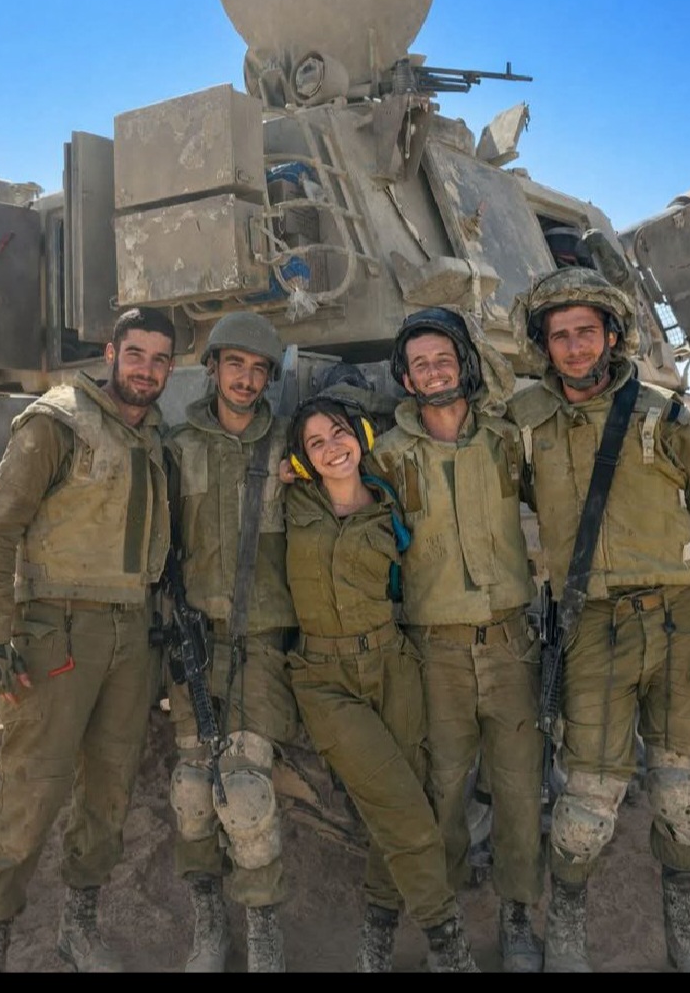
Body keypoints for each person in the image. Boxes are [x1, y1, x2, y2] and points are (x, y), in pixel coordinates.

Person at [510, 267, 690, 973]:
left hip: (678, 620)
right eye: (560, 335)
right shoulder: (525, 423)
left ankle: (685, 929)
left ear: (613, 336)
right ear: (544, 345)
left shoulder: (663, 416)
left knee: (679, 790)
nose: (575, 347)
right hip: (591, 624)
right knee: (587, 798)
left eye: (587, 331)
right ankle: (566, 932)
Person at [0, 306, 176, 974]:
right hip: (56, 633)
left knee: (109, 792)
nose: (146, 369)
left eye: (160, 359)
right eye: (135, 354)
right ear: (111, 354)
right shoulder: (57, 422)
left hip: (131, 632)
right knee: (33, 788)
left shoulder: (154, 435)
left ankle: (78, 927)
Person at [372, 308, 545, 974]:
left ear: (464, 364)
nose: (435, 371)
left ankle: (517, 914)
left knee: (519, 789)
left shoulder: (505, 440)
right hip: (435, 652)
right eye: (420, 364)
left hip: (511, 644)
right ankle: (443, 928)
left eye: (444, 358)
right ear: (406, 379)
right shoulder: (388, 456)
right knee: (440, 793)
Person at [285, 395, 480, 973]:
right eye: (315, 443)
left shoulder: (391, 504)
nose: (331, 448)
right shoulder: (291, 501)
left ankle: (376, 932)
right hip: (325, 679)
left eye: (338, 432)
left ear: (361, 434)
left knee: (400, 802)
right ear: (301, 459)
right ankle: (448, 944)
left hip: (394, 668)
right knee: (403, 809)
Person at [163, 312, 300, 973]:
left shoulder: (289, 446)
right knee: (192, 792)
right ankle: (209, 920)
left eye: (258, 370)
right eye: (235, 365)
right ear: (213, 367)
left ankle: (263, 928)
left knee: (245, 794)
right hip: (194, 641)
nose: (245, 380)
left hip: (261, 641)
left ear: (269, 378)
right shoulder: (177, 446)